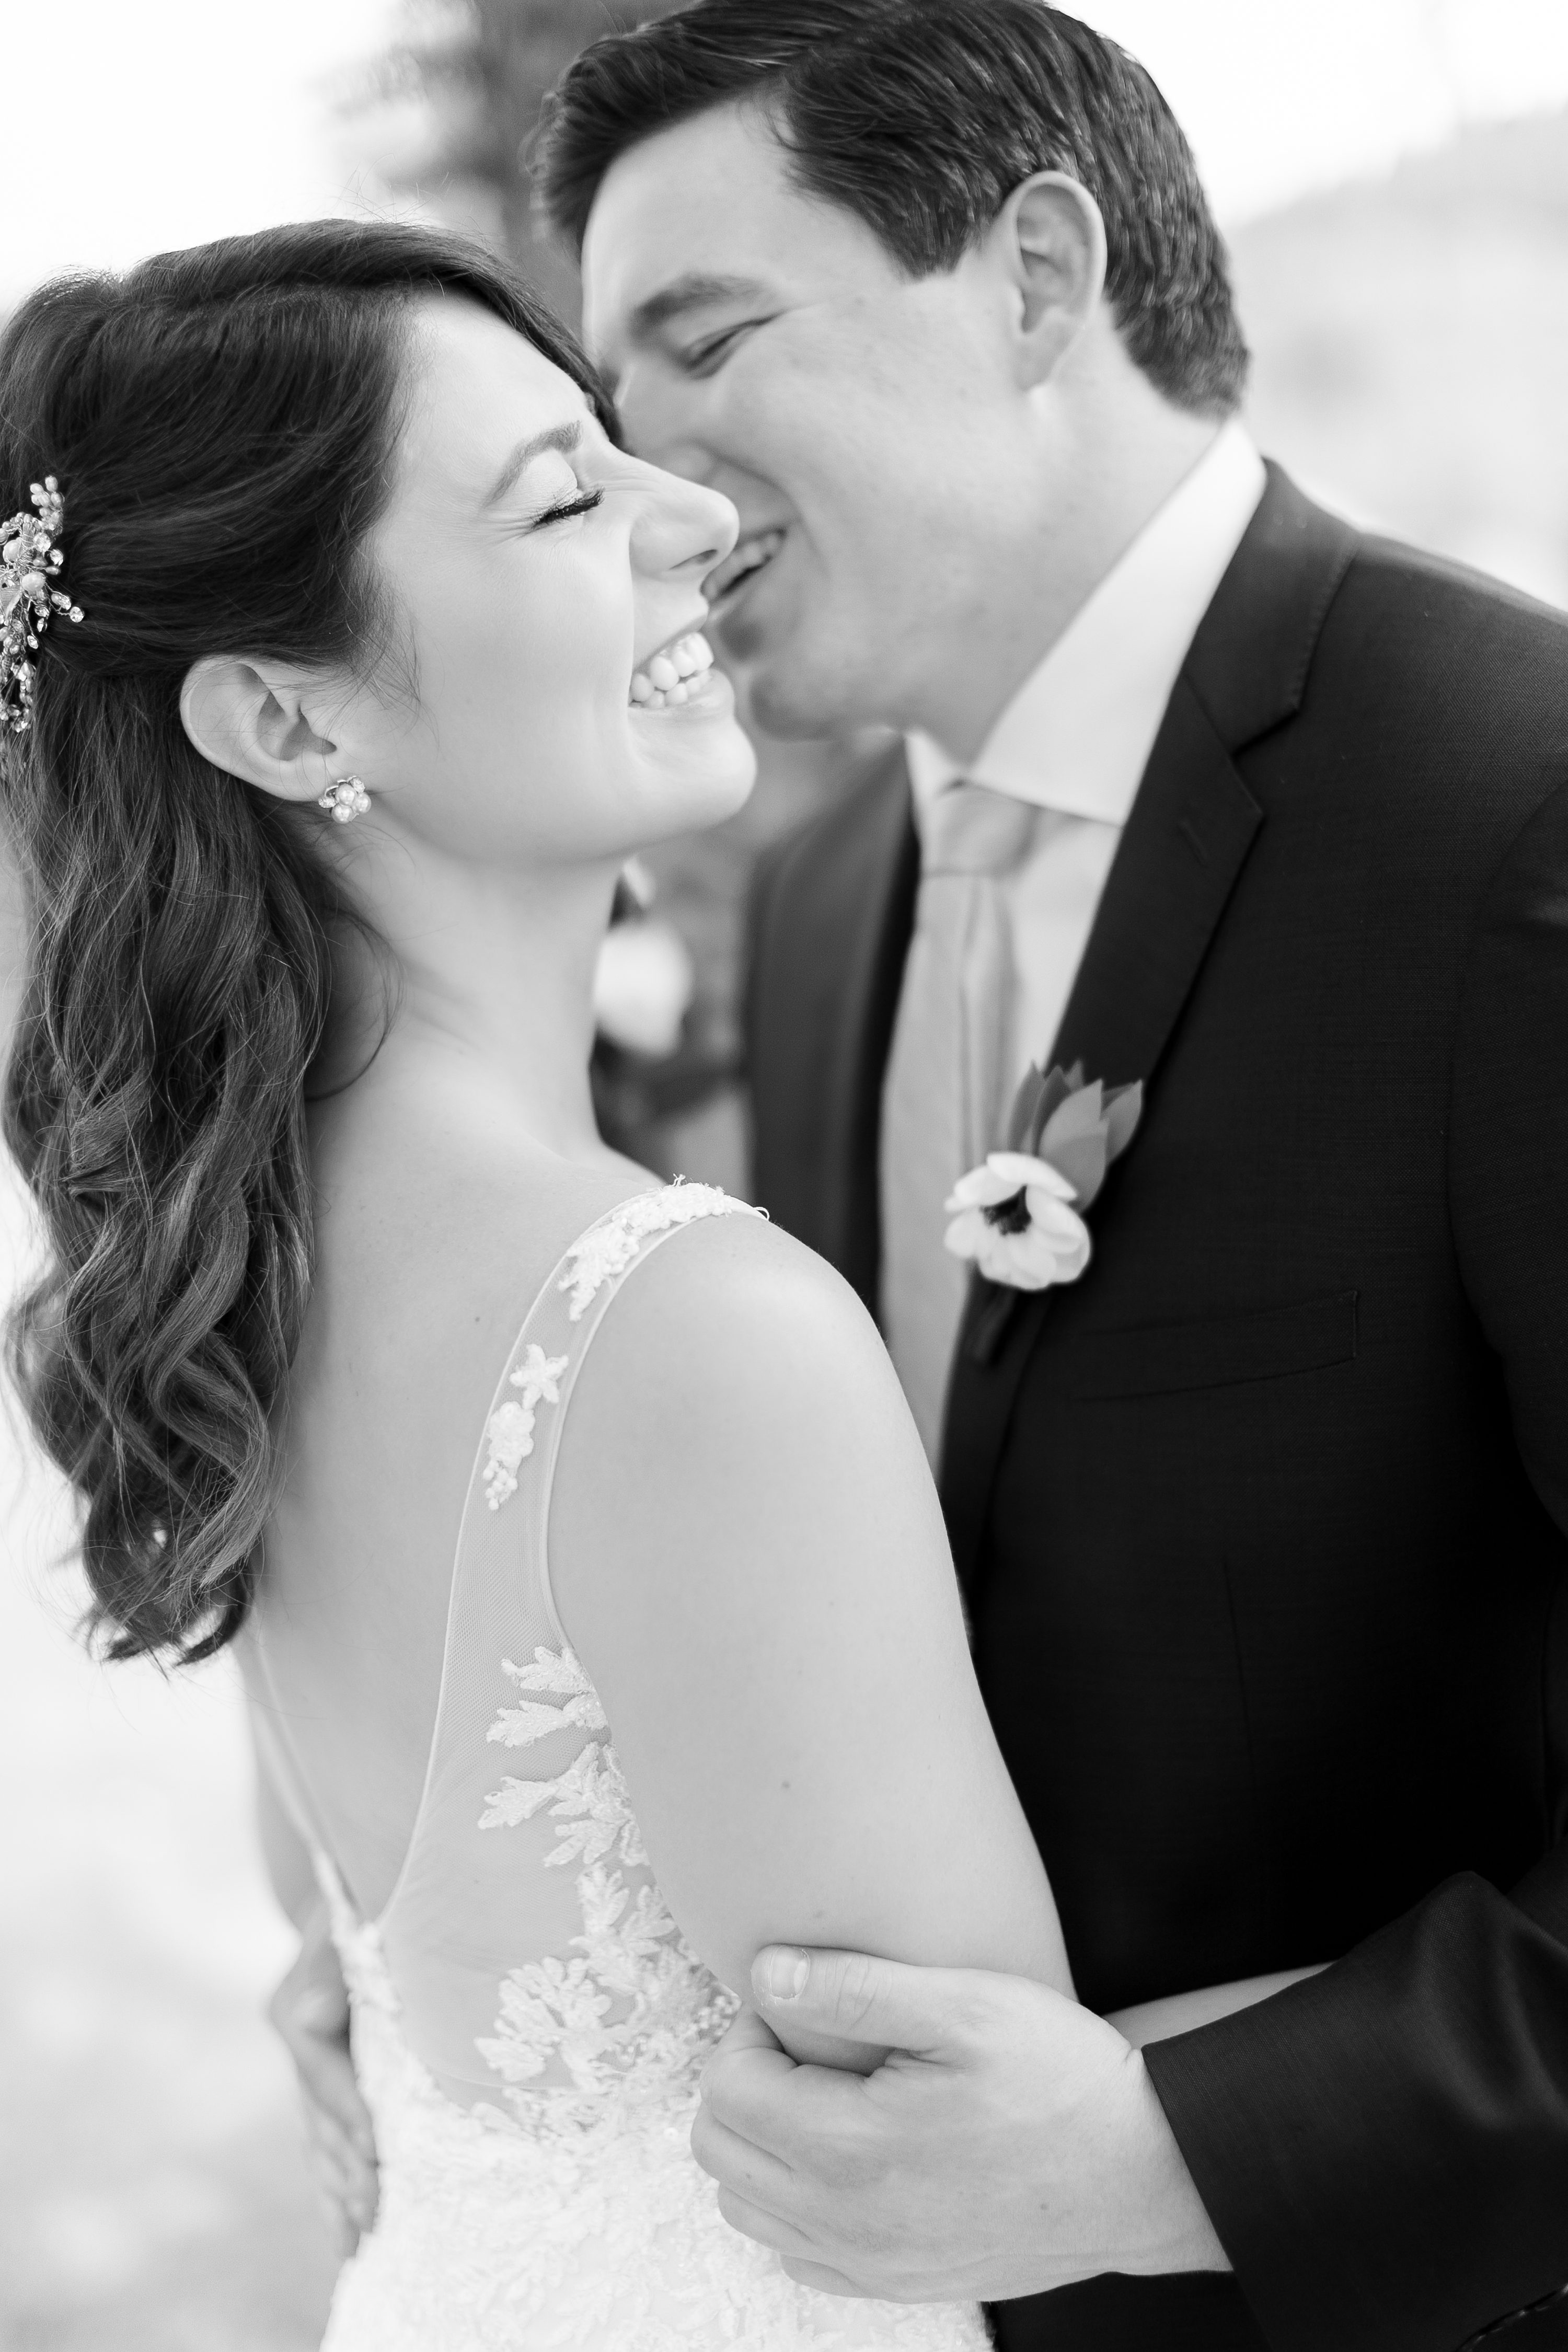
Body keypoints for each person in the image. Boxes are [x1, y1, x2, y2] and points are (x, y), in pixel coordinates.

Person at [0, 220, 1288, 2350]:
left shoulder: (240, 1276)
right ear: (282, 711)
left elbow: (390, 1943)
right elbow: (991, 2160)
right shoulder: (679, 1330)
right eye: (567, 493)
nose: (699, 523)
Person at [509, 1, 1565, 2346]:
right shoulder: (805, 905)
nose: (651, 487)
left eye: (704, 342)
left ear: (1033, 275)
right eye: (599, 419)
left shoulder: (1515, 804)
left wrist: (1190, 2157)